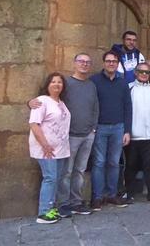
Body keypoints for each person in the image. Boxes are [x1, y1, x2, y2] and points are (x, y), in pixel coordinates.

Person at [27, 53, 98, 217]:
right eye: (81, 61)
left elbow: (95, 107)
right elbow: (38, 110)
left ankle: (73, 203)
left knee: (76, 171)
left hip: (79, 138)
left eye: (88, 62)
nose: (84, 64)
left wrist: (93, 128)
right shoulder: (57, 90)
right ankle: (59, 206)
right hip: (61, 141)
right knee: (61, 175)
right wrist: (29, 103)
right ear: (74, 63)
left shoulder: (87, 87)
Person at [90, 50, 132, 210]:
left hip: (118, 127)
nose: (111, 63)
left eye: (114, 61)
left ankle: (112, 194)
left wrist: (127, 130)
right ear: (103, 63)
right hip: (99, 127)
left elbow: (128, 107)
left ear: (117, 64)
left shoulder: (122, 83)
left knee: (114, 163)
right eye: (108, 61)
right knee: (99, 162)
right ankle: (97, 197)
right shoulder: (94, 81)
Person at [28, 73, 71, 224]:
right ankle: (44, 212)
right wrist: (45, 144)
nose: (56, 84)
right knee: (50, 178)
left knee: (56, 179)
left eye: (59, 82)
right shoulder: (41, 101)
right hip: (46, 149)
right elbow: (34, 124)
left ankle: (52, 208)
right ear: (47, 85)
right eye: (53, 82)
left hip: (60, 149)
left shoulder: (61, 103)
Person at [124, 63, 150, 204]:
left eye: (147, 72)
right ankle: (128, 193)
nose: (144, 74)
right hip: (133, 136)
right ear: (136, 73)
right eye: (141, 72)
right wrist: (126, 132)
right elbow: (124, 111)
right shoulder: (129, 88)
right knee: (131, 166)